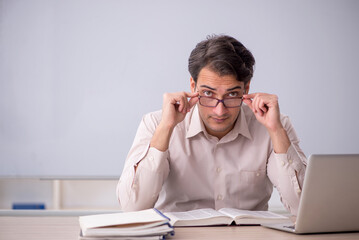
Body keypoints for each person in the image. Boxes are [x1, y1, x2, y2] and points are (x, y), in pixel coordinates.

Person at [117, 35, 307, 215]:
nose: (220, 111)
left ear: (246, 89)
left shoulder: (275, 124)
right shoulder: (156, 124)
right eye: (208, 94)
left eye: (232, 95)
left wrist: (276, 131)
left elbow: (303, 208)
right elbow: (133, 208)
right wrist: (166, 129)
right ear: (193, 87)